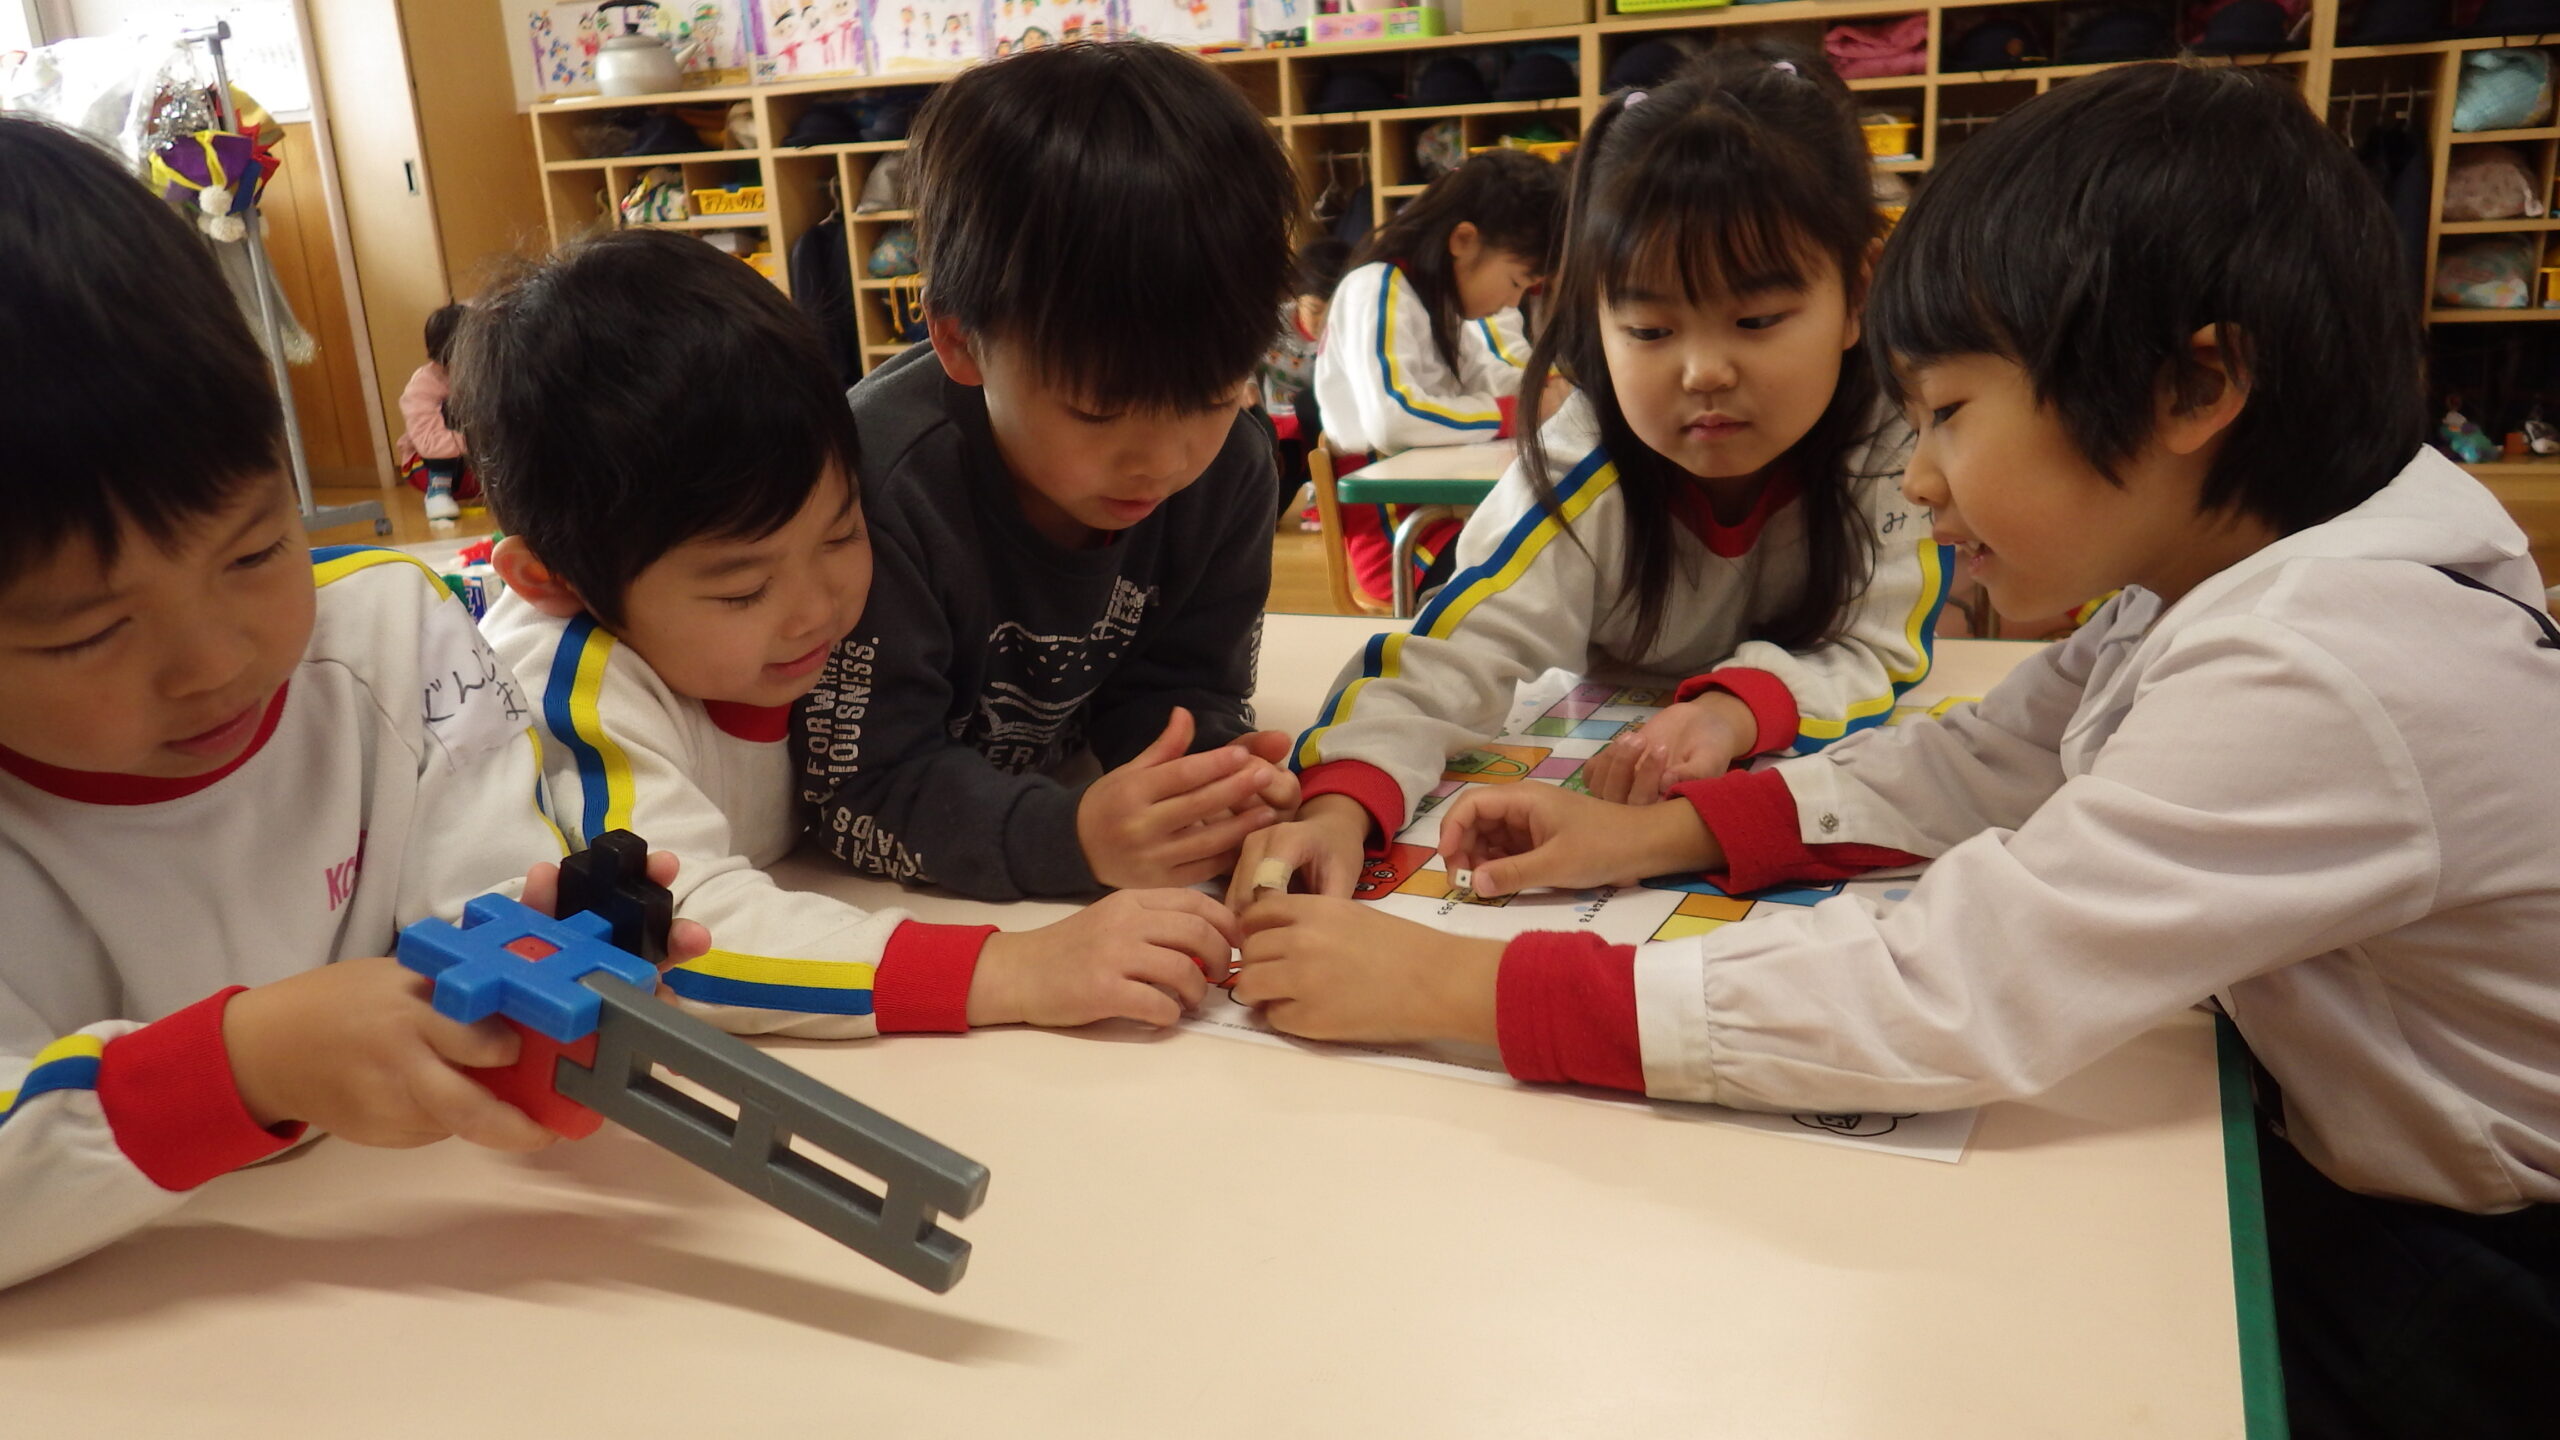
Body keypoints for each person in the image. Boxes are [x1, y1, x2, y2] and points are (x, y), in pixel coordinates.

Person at [1235, 63, 2560, 1437]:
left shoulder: (2319, 660)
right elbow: (1986, 761)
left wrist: (1462, 987)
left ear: (2192, 385)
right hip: (2371, 1166)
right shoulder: (2237, 578)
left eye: (1949, 415)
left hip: (2475, 1273)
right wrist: (1662, 832)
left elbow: (1953, 989)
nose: (1920, 478)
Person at [0, 118, 705, 1290]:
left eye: (254, 552)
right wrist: (240, 1066)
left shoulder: (391, 643)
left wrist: (543, 974)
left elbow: (476, 888)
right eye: (89, 631)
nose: (214, 661)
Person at [466, 231, 1240, 1037]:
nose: (818, 610)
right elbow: (672, 943)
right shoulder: (570, 692)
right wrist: (1011, 970)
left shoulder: (750, 627)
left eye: (841, 535)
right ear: (555, 580)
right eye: (744, 589)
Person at [1236, 47, 1947, 910]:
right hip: (1606, 763)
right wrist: (1343, 801)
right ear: (1597, 318)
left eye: (1757, 319)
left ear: (1857, 297)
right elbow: (1461, 645)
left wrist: (1733, 711)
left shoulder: (1893, 442)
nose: (1704, 371)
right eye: (1649, 330)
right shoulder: (1588, 458)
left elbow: (1876, 643)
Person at [796, 42, 1302, 903]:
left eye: (1214, 397)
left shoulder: (1231, 470)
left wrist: (1212, 784)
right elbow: (859, 786)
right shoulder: (873, 494)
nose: (1163, 463)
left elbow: (1182, 686)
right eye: (1098, 413)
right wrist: (1069, 840)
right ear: (959, 340)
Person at [1312, 148, 1562, 604]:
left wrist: (1543, 393)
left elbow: (1484, 375)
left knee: (1559, 549)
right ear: (1463, 240)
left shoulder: (1435, 302)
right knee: (1539, 574)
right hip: (1398, 534)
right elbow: (1393, 419)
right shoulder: (1379, 286)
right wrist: (1515, 414)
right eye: (1516, 282)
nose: (1513, 303)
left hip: (1437, 513)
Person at [398, 303, 472, 522]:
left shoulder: (487, 374)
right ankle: (438, 491)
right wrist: (480, 440)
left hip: (476, 467)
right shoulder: (423, 385)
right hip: (427, 467)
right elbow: (430, 443)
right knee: (451, 408)